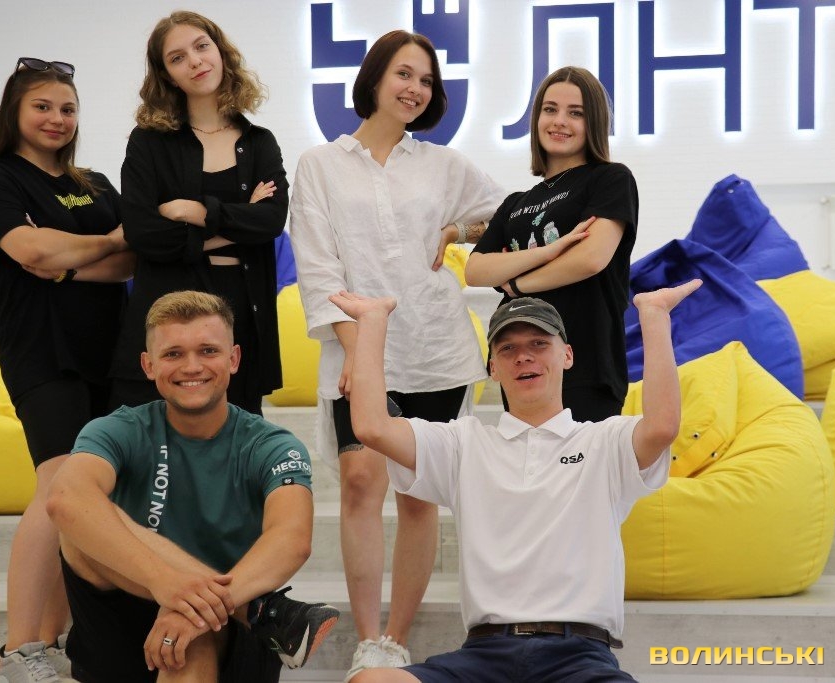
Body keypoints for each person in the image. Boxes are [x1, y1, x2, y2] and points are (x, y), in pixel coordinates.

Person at [328, 280, 700, 683]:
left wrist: (653, 316)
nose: (523, 356)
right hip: (483, 655)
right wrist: (372, 322)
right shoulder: (464, 443)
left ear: (567, 355)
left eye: (539, 344)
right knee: (371, 680)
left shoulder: (604, 441)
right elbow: (373, 427)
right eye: (507, 349)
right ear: (493, 368)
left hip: (579, 656)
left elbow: (662, 427)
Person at [288, 30, 503, 679]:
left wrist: (457, 229)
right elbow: (318, 268)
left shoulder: (442, 164)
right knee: (360, 481)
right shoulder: (320, 164)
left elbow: (506, 214)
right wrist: (360, 356)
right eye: (404, 74)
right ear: (376, 78)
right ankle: (367, 636)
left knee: (417, 495)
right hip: (357, 346)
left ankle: (395, 637)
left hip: (435, 347)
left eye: (426, 80)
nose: (415, 88)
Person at [46, 290, 339, 683]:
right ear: (148, 365)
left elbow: (292, 539)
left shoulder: (271, 445)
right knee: (81, 520)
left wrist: (192, 607)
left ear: (233, 359)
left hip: (228, 629)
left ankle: (230, 610)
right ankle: (259, 610)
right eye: (173, 354)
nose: (191, 366)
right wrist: (166, 583)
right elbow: (64, 499)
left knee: (191, 640)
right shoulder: (118, 429)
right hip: (124, 618)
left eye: (208, 351)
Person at [0, 57, 133, 683]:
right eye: (42, 106)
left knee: (88, 498)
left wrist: (64, 262)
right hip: (42, 352)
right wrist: (103, 241)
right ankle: (17, 651)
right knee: (59, 487)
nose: (57, 118)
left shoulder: (95, 183)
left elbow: (131, 260)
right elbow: (28, 249)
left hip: (108, 354)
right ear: (14, 111)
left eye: (67, 108)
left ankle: (51, 639)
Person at [110, 10, 288, 415]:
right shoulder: (148, 142)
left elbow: (271, 221)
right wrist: (237, 223)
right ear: (167, 75)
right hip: (167, 309)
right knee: (151, 440)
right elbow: (143, 233)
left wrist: (195, 211)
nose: (194, 61)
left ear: (221, 52)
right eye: (177, 58)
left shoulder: (259, 143)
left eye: (201, 47)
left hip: (242, 308)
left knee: (237, 440)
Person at [465, 66, 637, 422]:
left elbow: (590, 258)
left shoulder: (610, 179)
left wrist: (517, 283)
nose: (560, 121)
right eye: (550, 109)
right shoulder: (515, 203)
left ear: (594, 123)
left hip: (587, 364)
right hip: (521, 368)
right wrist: (550, 251)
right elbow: (476, 270)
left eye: (576, 113)